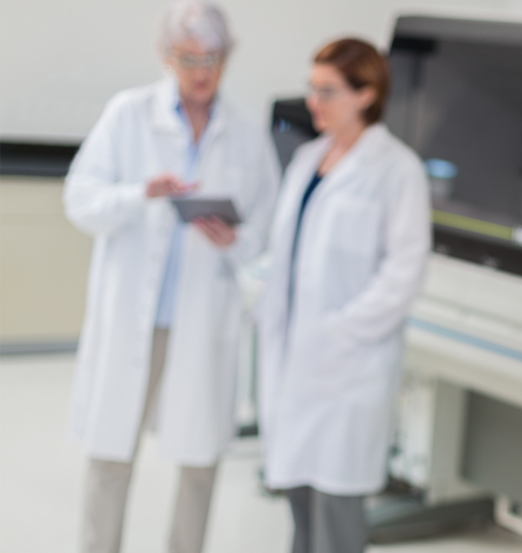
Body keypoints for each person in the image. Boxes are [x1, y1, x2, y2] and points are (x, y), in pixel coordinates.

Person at [63, 2, 280, 552]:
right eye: (189, 58)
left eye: (212, 57)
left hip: (202, 320)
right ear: (167, 57)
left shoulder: (248, 135)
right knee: (111, 453)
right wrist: (141, 194)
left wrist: (236, 241)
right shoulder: (128, 114)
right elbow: (80, 201)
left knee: (198, 459)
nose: (202, 70)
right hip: (136, 320)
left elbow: (266, 230)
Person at [255, 38, 431, 553]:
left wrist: (341, 332)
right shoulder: (309, 158)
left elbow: (404, 272)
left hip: (347, 365)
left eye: (327, 90)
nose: (314, 101)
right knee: (299, 501)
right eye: (312, 88)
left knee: (336, 512)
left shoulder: (397, 170)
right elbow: (286, 251)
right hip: (294, 359)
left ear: (366, 94)